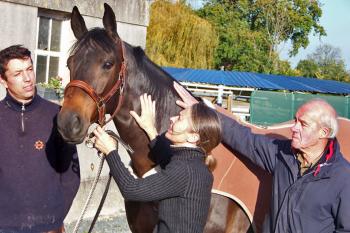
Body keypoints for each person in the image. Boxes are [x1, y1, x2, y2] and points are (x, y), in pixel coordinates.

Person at [173, 82, 350, 233]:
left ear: (324, 132)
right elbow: (243, 138)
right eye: (295, 120)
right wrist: (201, 113)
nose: (293, 128)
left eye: (303, 124)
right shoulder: (283, 155)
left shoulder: (342, 178)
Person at [93, 93, 221, 233]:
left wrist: (110, 151)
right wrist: (150, 129)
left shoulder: (184, 170)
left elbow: (131, 189)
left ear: (193, 137)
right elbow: (168, 159)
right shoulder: (195, 165)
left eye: (180, 118)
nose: (172, 119)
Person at [0, 45, 80, 233]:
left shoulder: (56, 115)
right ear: (3, 80)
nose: (27, 79)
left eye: (29, 69)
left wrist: (55, 218)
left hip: (49, 227)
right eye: (18, 73)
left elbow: (71, 175)